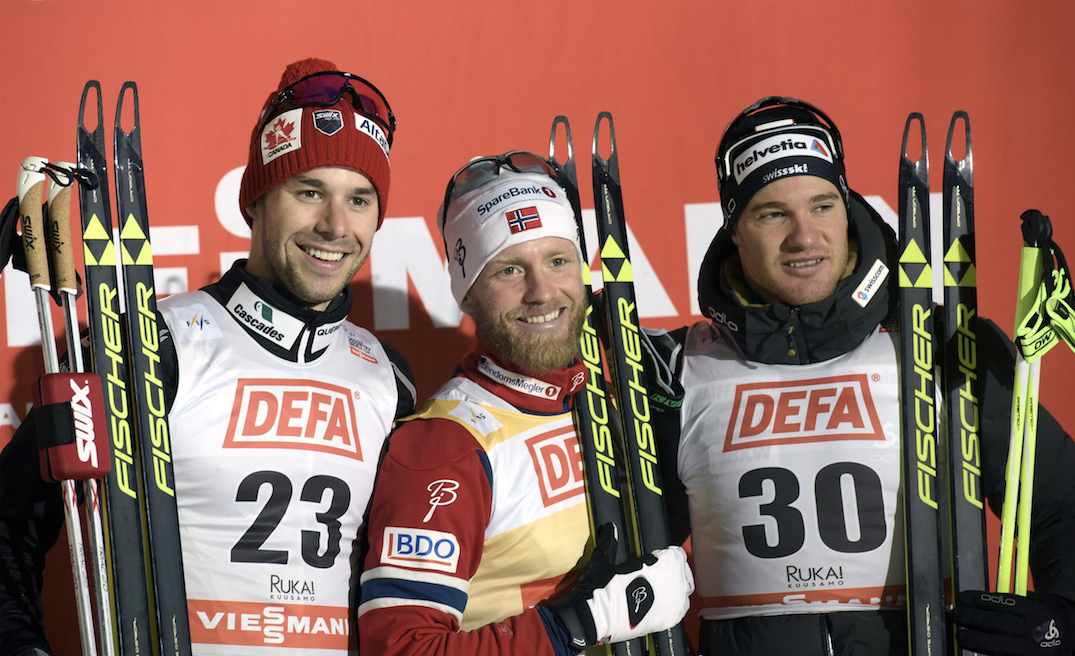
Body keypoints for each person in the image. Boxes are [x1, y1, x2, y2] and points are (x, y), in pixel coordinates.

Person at [0, 57, 416, 656]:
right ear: (255, 202)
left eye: (360, 199)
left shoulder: (388, 376)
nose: (335, 225)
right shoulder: (151, 343)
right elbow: (8, 527)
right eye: (309, 192)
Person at [642, 96, 1075, 656]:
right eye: (772, 213)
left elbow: (1060, 502)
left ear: (847, 210)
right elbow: (633, 541)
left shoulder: (940, 345)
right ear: (734, 230)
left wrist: (1066, 615)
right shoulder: (681, 369)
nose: (804, 236)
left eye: (822, 205)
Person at [356, 151, 694, 655]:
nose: (542, 292)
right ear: (467, 294)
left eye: (558, 262)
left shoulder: (624, 394)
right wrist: (577, 623)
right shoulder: (446, 447)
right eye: (509, 270)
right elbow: (403, 647)